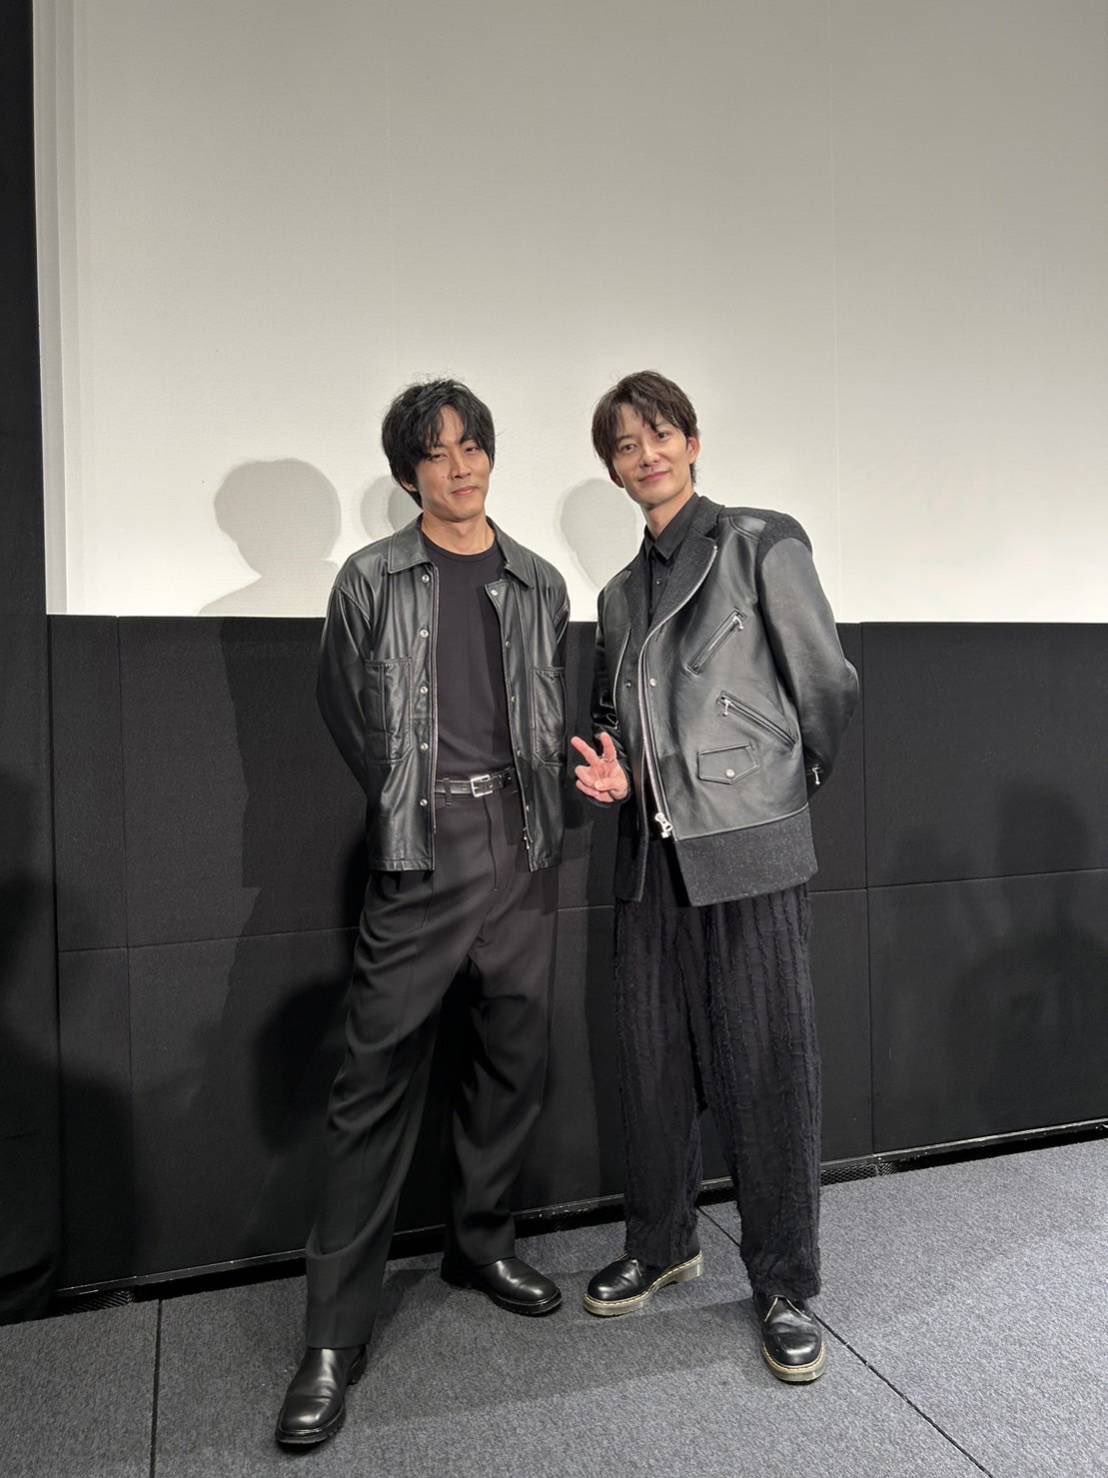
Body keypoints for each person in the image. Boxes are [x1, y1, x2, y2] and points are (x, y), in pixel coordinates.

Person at [276, 379, 569, 1446]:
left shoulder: (537, 581)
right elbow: (342, 707)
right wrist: (411, 800)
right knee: (373, 1084)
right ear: (408, 475)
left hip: (522, 843)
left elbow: (543, 705)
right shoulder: (369, 578)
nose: (462, 466)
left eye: (472, 445)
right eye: (438, 453)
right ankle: (331, 1335)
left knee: (511, 1053)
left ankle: (479, 1242)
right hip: (421, 841)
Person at [571, 370, 857, 1383]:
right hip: (649, 858)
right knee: (650, 1063)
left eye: (659, 434)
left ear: (691, 441)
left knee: (767, 1070)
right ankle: (661, 1242)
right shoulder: (616, 594)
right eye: (625, 445)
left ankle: (783, 1280)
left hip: (747, 846)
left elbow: (825, 683)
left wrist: (776, 791)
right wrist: (614, 771)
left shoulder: (758, 541)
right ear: (613, 470)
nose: (645, 454)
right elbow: (615, 721)